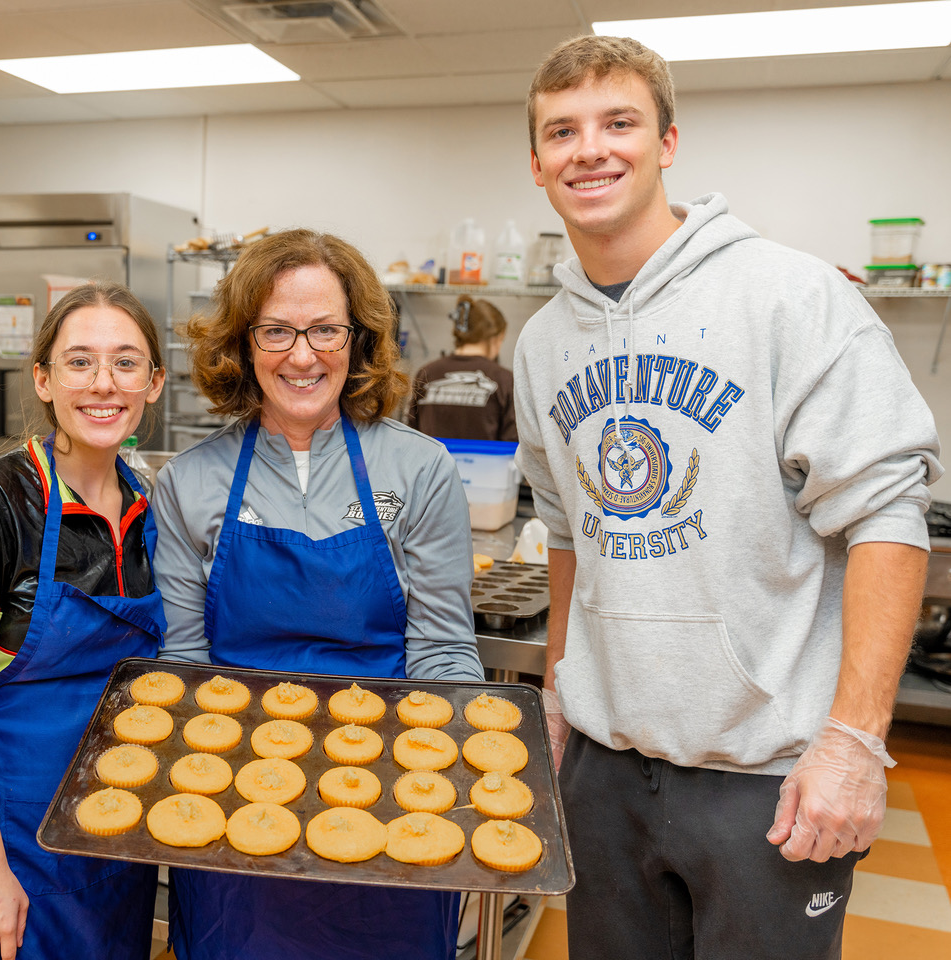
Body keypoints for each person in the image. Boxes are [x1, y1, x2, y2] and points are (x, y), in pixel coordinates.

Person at [512, 34, 942, 960]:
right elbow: (564, 531)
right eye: (562, 131)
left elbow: (885, 518)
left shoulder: (789, 297)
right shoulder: (542, 341)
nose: (589, 149)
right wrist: (553, 691)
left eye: (617, 121)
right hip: (603, 769)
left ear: (667, 142)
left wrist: (853, 745)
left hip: (768, 777)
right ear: (537, 163)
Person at [151, 228, 483, 960]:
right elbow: (182, 665)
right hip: (233, 797)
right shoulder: (189, 482)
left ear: (358, 340)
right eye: (275, 331)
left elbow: (442, 647)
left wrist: (454, 785)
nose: (302, 356)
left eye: (325, 330)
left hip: (394, 788)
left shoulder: (419, 468)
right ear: (241, 343)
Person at [0, 281, 167, 960]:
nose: (103, 383)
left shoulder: (151, 510)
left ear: (155, 383)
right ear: (45, 380)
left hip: (112, 835)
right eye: (79, 361)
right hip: (4, 835)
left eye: (125, 362)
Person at [406, 294, 517, 441]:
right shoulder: (505, 380)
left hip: (432, 463)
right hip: (487, 464)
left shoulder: (426, 372)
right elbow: (512, 443)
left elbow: (411, 433)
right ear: (495, 337)